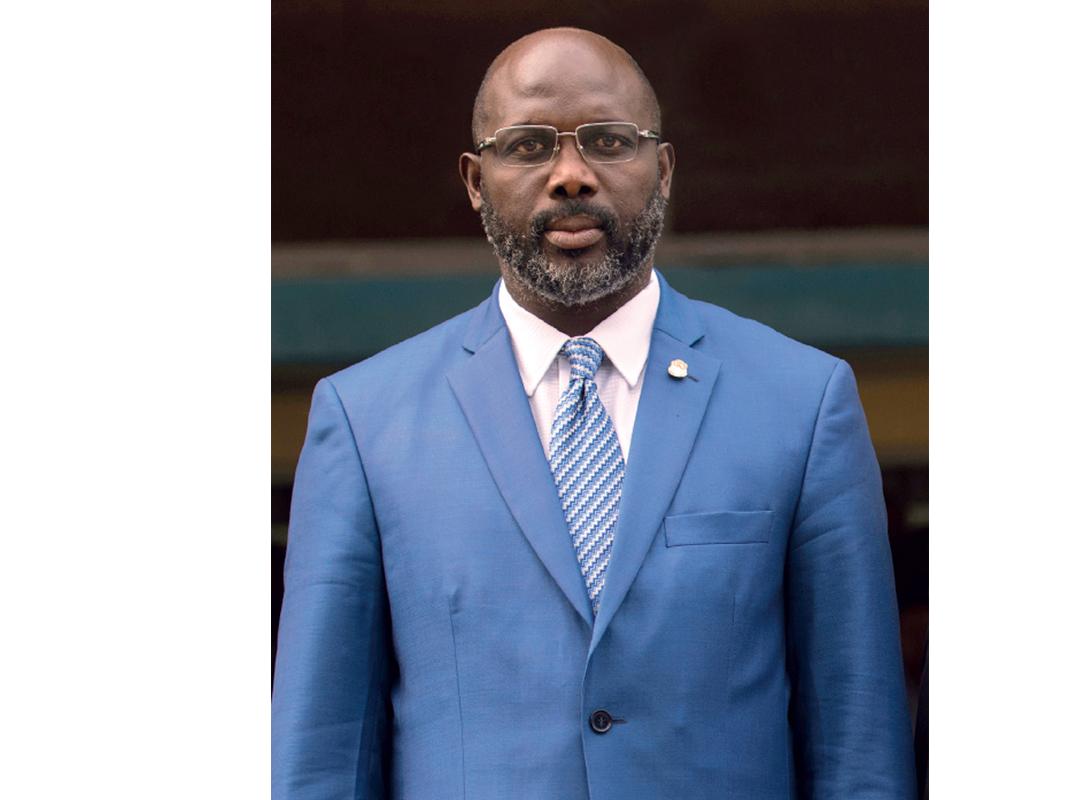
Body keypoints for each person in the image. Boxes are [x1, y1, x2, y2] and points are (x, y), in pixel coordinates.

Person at [272, 26, 915, 799]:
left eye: (609, 141)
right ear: (475, 180)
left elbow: (858, 753)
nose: (571, 176)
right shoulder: (364, 420)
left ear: (663, 170)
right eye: (527, 146)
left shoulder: (802, 403)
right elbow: (324, 759)